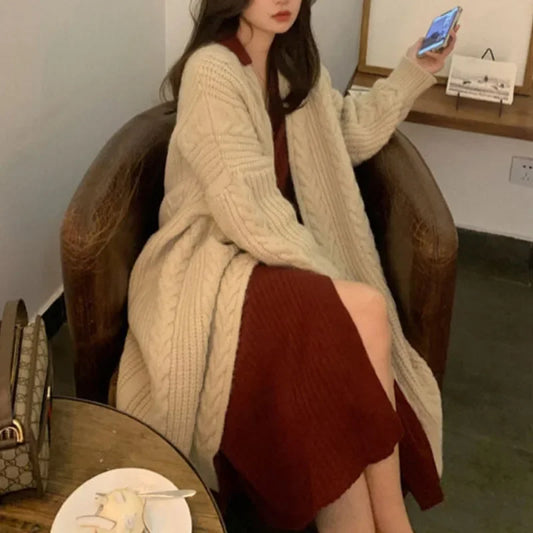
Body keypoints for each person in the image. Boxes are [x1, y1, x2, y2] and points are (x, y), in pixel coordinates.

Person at [117, 1, 459, 531]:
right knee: (361, 309)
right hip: (214, 260)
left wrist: (414, 69)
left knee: (339, 364)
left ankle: (381, 520)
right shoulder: (211, 71)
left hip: (277, 251)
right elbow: (246, 210)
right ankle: (394, 519)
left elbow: (343, 135)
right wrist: (329, 279)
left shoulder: (295, 69)